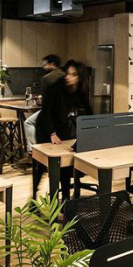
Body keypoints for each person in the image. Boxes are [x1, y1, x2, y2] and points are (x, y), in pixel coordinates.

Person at [36, 60, 92, 194]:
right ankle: (34, 195)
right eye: (67, 73)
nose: (68, 77)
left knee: (65, 165)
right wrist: (52, 134)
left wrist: (93, 128)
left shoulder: (79, 90)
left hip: (61, 124)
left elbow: (89, 111)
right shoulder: (56, 87)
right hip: (45, 126)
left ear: (80, 77)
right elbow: (45, 112)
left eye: (73, 74)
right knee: (43, 164)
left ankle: (65, 199)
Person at [24, 54, 64, 152]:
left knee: (28, 122)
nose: (44, 67)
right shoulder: (64, 75)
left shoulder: (47, 78)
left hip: (51, 112)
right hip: (64, 113)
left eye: (46, 65)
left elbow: (46, 103)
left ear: (52, 64)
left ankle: (33, 149)